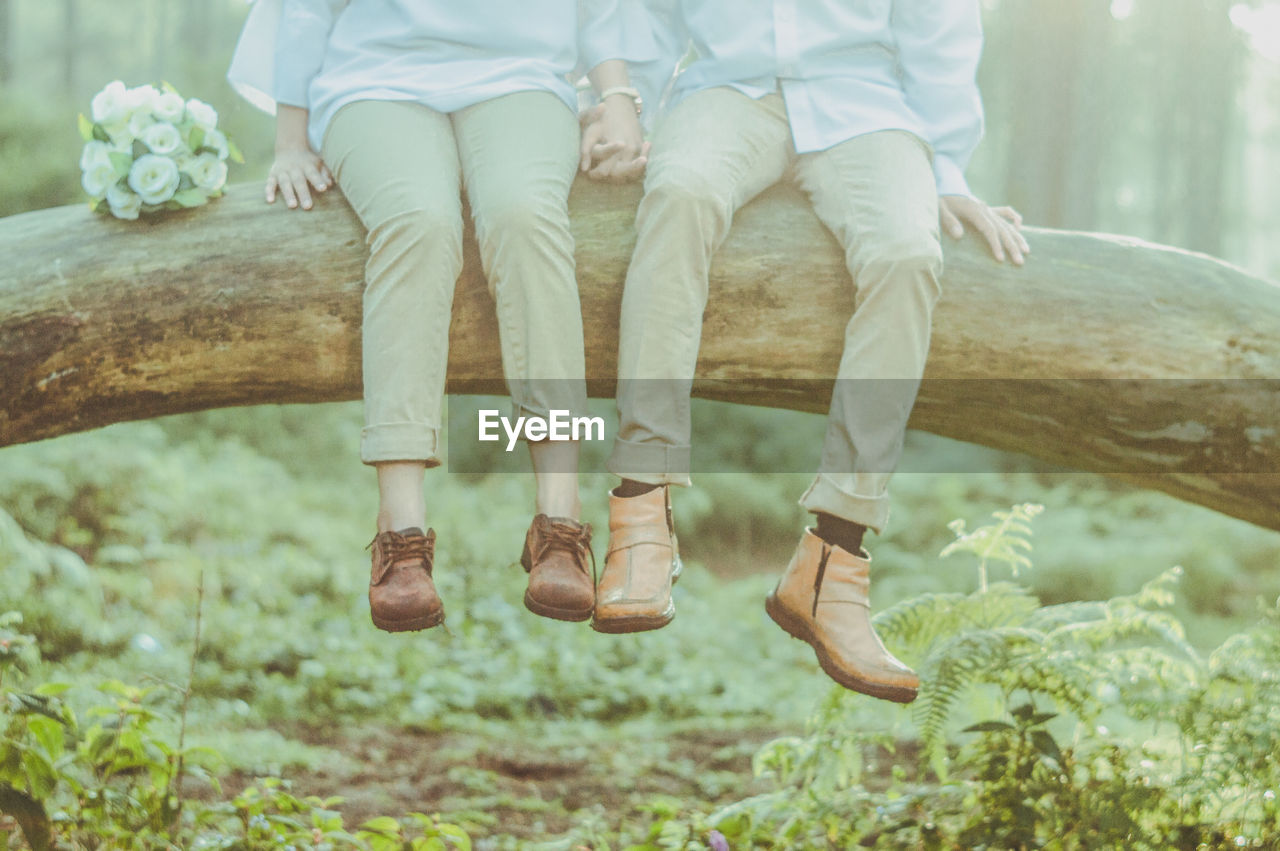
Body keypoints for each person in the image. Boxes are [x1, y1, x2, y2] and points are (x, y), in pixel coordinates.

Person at [588, 0, 1029, 703]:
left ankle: (833, 562)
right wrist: (620, 107)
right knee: (680, 194)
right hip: (727, 94)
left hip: (867, 108)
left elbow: (938, 26)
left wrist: (948, 166)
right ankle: (642, 513)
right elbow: (646, 12)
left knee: (909, 256)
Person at [228, 0, 647, 632]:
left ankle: (559, 522)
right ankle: (401, 532)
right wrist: (290, 140)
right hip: (373, 81)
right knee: (418, 226)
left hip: (521, 77)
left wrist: (617, 98)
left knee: (525, 218)